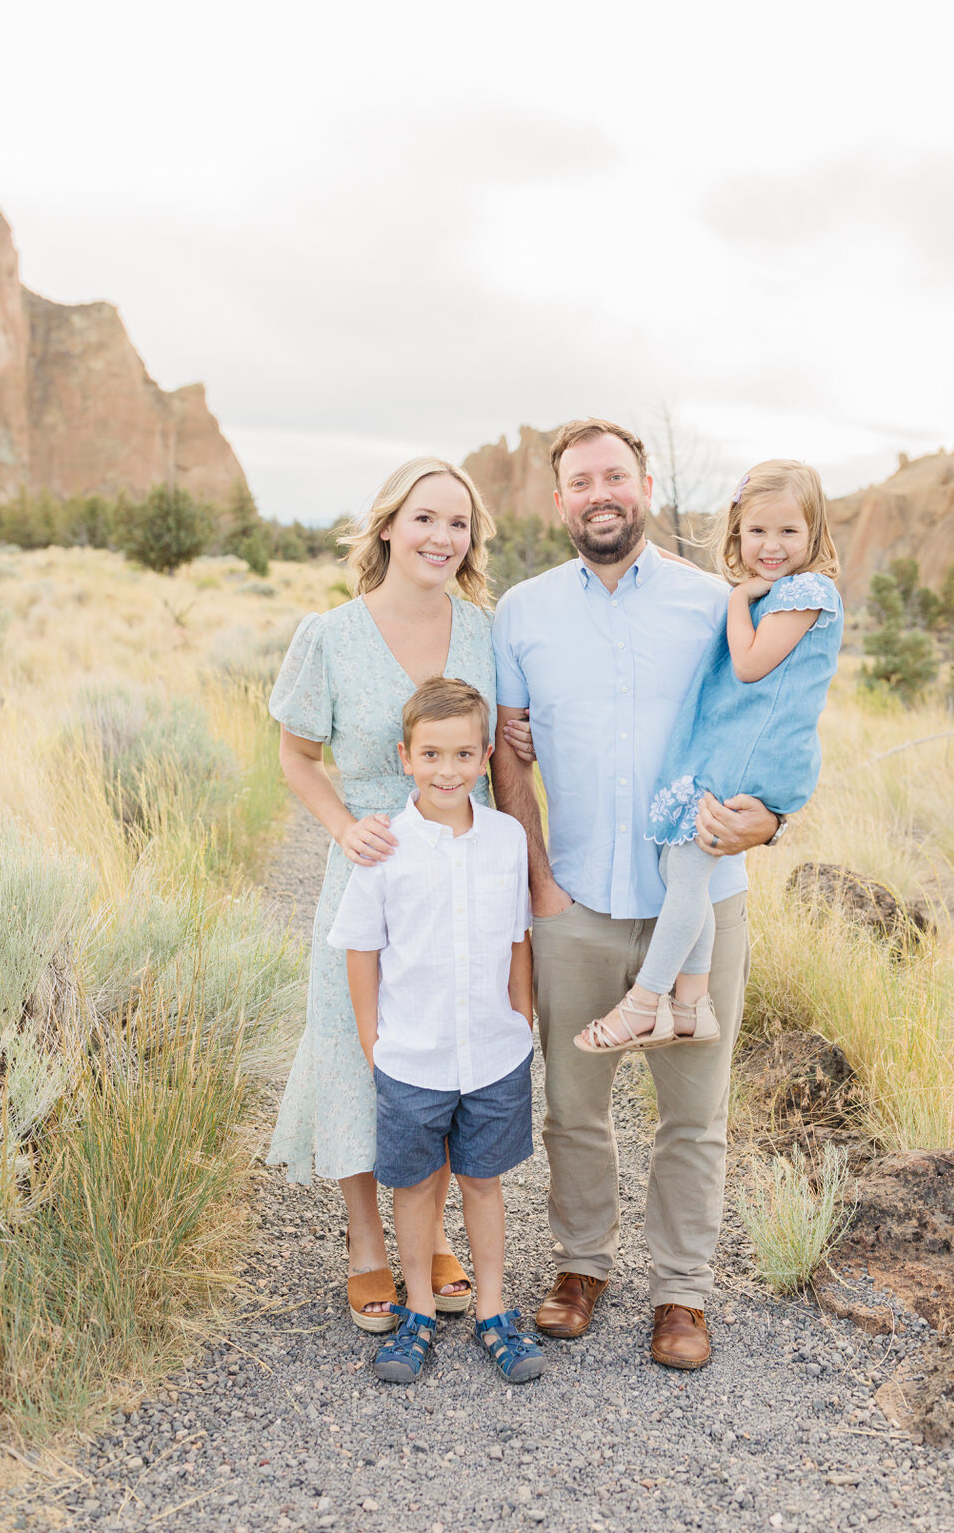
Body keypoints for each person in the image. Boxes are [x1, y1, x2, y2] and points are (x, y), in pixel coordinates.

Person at [490, 417, 783, 1371]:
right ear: (560, 500)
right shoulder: (523, 613)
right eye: (581, 482)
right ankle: (580, 1267)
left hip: (699, 908)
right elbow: (507, 750)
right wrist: (537, 880)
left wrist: (771, 819)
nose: (599, 494)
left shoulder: (714, 603)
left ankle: (680, 1294)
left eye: (615, 476)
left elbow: (773, 718)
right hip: (574, 900)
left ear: (646, 485)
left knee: (692, 1114)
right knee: (572, 1107)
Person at [266, 457, 533, 1331]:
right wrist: (345, 827)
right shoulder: (331, 634)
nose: (440, 538)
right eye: (424, 519)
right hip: (377, 865)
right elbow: (296, 755)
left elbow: (499, 753)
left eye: (457, 524)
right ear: (388, 526)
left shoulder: (486, 632)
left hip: (465, 867)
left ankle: (438, 1243)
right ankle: (367, 1250)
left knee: (456, 1038)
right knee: (359, 1046)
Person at [575, 459, 843, 1054]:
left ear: (815, 533)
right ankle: (693, 1005)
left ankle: (646, 1002)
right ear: (737, 533)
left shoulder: (807, 591)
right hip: (735, 748)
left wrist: (736, 600)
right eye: (757, 532)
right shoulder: (776, 589)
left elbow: (748, 665)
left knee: (689, 874)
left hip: (755, 753)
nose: (771, 547)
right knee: (680, 867)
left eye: (788, 533)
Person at [328, 677, 546, 1385]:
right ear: (405, 757)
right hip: (412, 1056)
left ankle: (491, 1311)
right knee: (417, 1185)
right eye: (430, 755)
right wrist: (373, 1044)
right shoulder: (385, 846)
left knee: (482, 1182)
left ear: (485, 757)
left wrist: (523, 1016)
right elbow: (362, 950)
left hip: (493, 1052)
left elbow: (517, 935)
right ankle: (418, 1310)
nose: (445, 770)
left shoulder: (507, 838)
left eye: (460, 754)